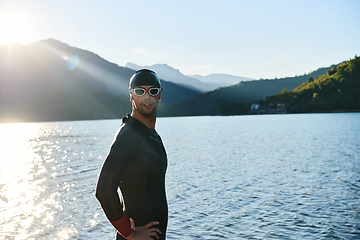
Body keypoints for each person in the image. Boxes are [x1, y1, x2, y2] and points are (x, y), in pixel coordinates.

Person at [95, 69, 168, 240]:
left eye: (153, 91)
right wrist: (129, 234)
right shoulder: (128, 137)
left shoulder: (150, 135)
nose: (147, 97)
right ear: (131, 96)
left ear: (159, 95)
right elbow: (104, 190)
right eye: (140, 91)